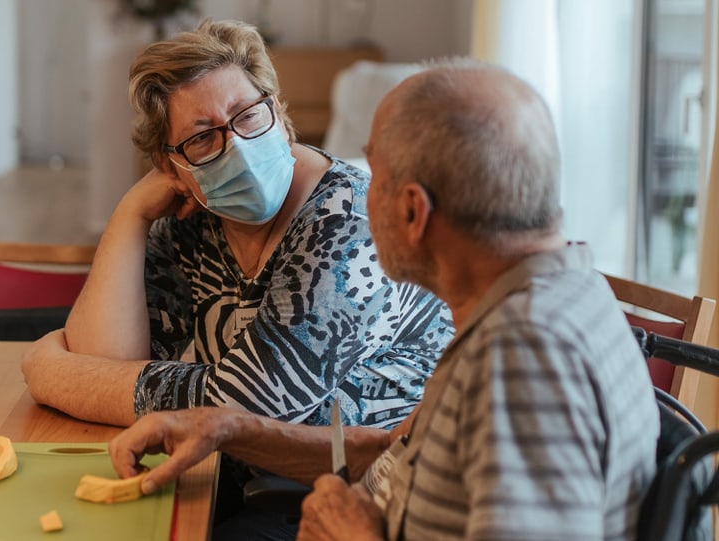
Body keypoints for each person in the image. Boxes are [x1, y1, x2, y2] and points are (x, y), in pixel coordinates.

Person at [107, 58, 660, 541]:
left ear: (414, 212)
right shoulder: (539, 299)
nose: (353, 192)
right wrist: (228, 428)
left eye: (375, 177)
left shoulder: (522, 361)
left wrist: (352, 534)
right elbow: (404, 458)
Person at [20, 19, 451, 430]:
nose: (237, 147)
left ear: (279, 114)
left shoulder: (350, 226)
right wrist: (131, 214)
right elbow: (105, 361)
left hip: (367, 486)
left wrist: (53, 375)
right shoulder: (191, 222)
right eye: (202, 136)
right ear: (172, 166)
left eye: (248, 114)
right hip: (239, 471)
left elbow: (247, 408)